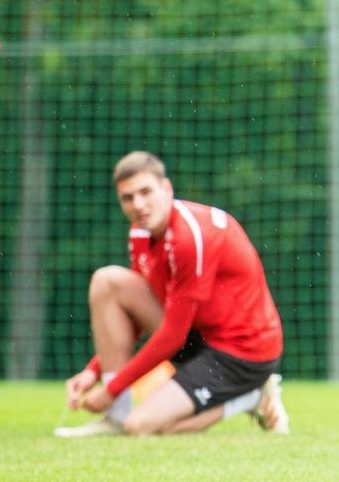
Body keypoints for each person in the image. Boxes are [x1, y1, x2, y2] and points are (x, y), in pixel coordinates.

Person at [55, 151, 289, 437]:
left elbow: (173, 336)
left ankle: (250, 396)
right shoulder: (141, 233)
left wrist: (112, 389)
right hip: (200, 335)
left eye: (145, 192)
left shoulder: (189, 239)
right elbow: (138, 313)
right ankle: (115, 418)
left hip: (242, 352)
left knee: (142, 427)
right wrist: (94, 370)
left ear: (166, 189)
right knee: (107, 281)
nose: (138, 205)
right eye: (127, 198)